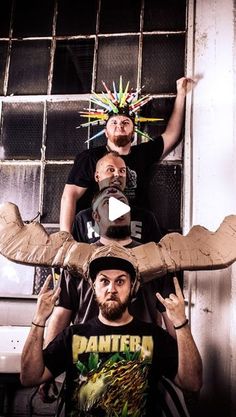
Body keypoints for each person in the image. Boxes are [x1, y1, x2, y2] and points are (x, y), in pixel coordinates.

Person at [21, 243, 202, 417]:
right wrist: (39, 319)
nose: (112, 289)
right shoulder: (73, 335)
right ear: (94, 287)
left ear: (132, 287)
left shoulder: (154, 336)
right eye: (104, 281)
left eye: (120, 281)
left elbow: (192, 383)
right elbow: (29, 377)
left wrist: (181, 323)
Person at [60, 77, 195, 233]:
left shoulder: (143, 154)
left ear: (133, 133)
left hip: (137, 232)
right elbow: (69, 196)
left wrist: (181, 94)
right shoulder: (90, 158)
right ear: (106, 132)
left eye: (125, 122)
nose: (120, 126)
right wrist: (66, 239)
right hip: (96, 233)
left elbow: (172, 134)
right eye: (114, 123)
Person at [73, 151, 162, 243]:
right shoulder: (83, 218)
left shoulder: (146, 217)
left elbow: (157, 253)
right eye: (111, 170)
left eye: (122, 171)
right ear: (97, 176)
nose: (117, 174)